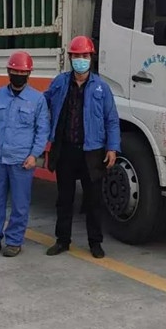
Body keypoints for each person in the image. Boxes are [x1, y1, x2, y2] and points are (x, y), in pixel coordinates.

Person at [44, 35, 120, 259]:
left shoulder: (101, 88)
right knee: (64, 199)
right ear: (70, 58)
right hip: (66, 149)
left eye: (85, 56)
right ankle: (62, 240)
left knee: (93, 201)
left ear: (91, 58)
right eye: (77, 56)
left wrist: (112, 148)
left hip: (92, 152)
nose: (81, 60)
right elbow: (43, 103)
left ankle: (95, 242)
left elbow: (111, 120)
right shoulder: (60, 83)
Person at [0, 51, 50, 257]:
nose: (18, 75)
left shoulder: (37, 100)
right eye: (14, 72)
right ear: (8, 72)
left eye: (22, 72)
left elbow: (42, 131)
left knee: (20, 204)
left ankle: (14, 241)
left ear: (29, 74)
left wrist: (34, 155)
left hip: (22, 162)